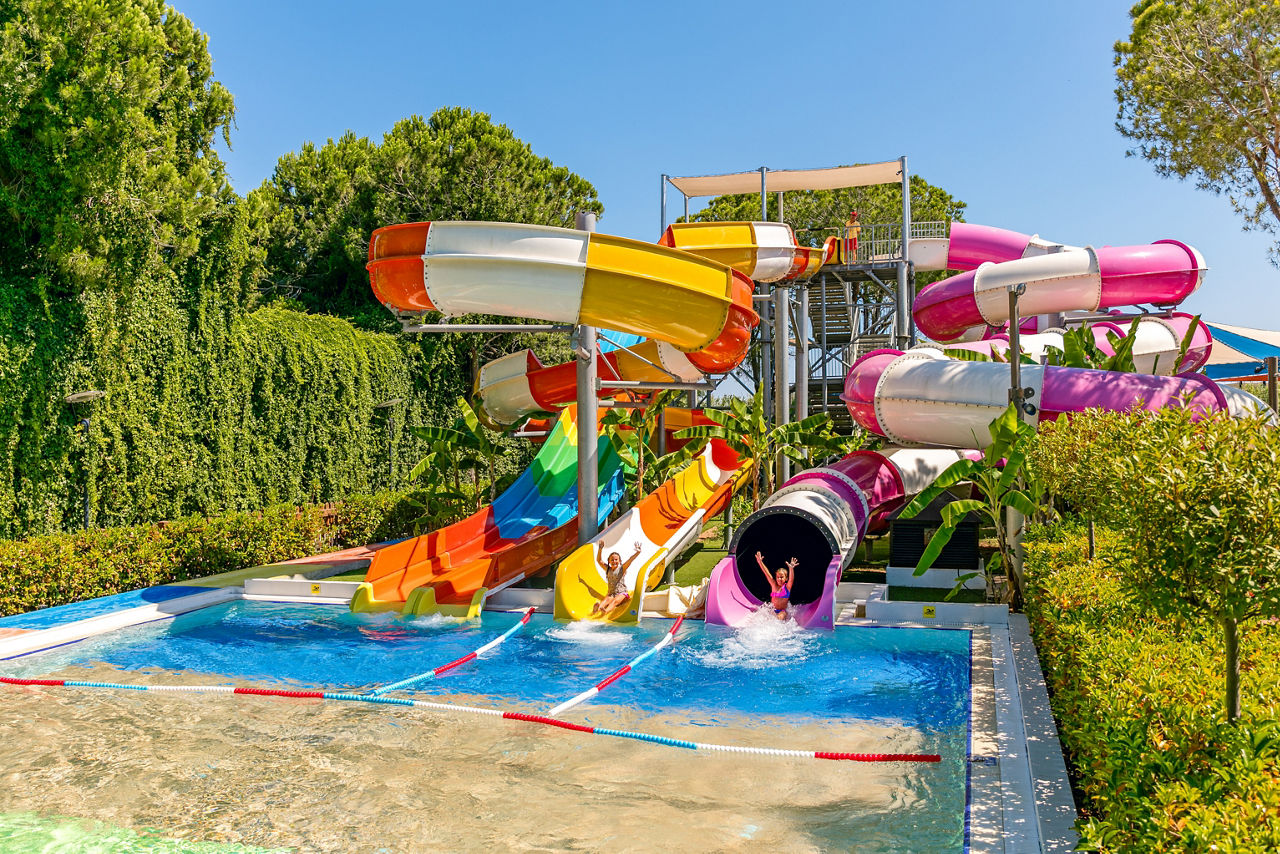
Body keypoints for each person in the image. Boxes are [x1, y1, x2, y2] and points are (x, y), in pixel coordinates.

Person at [591, 540, 643, 616]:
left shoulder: (622, 569)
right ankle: (597, 609)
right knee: (606, 600)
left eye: (616, 560)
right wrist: (600, 549)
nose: (614, 561)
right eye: (612, 560)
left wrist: (637, 552)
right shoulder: (608, 569)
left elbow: (630, 560)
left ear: (619, 561)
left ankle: (606, 611)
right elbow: (599, 561)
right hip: (612, 593)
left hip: (622, 593)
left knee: (615, 601)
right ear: (609, 561)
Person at [756, 551, 799, 620]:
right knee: (763, 617)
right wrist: (760, 562)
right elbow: (767, 573)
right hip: (772, 609)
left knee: (780, 617)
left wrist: (791, 569)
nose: (779, 579)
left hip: (782, 611)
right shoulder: (774, 585)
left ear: (786, 578)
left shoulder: (787, 587)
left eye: (781, 577)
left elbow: (791, 579)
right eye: (778, 577)